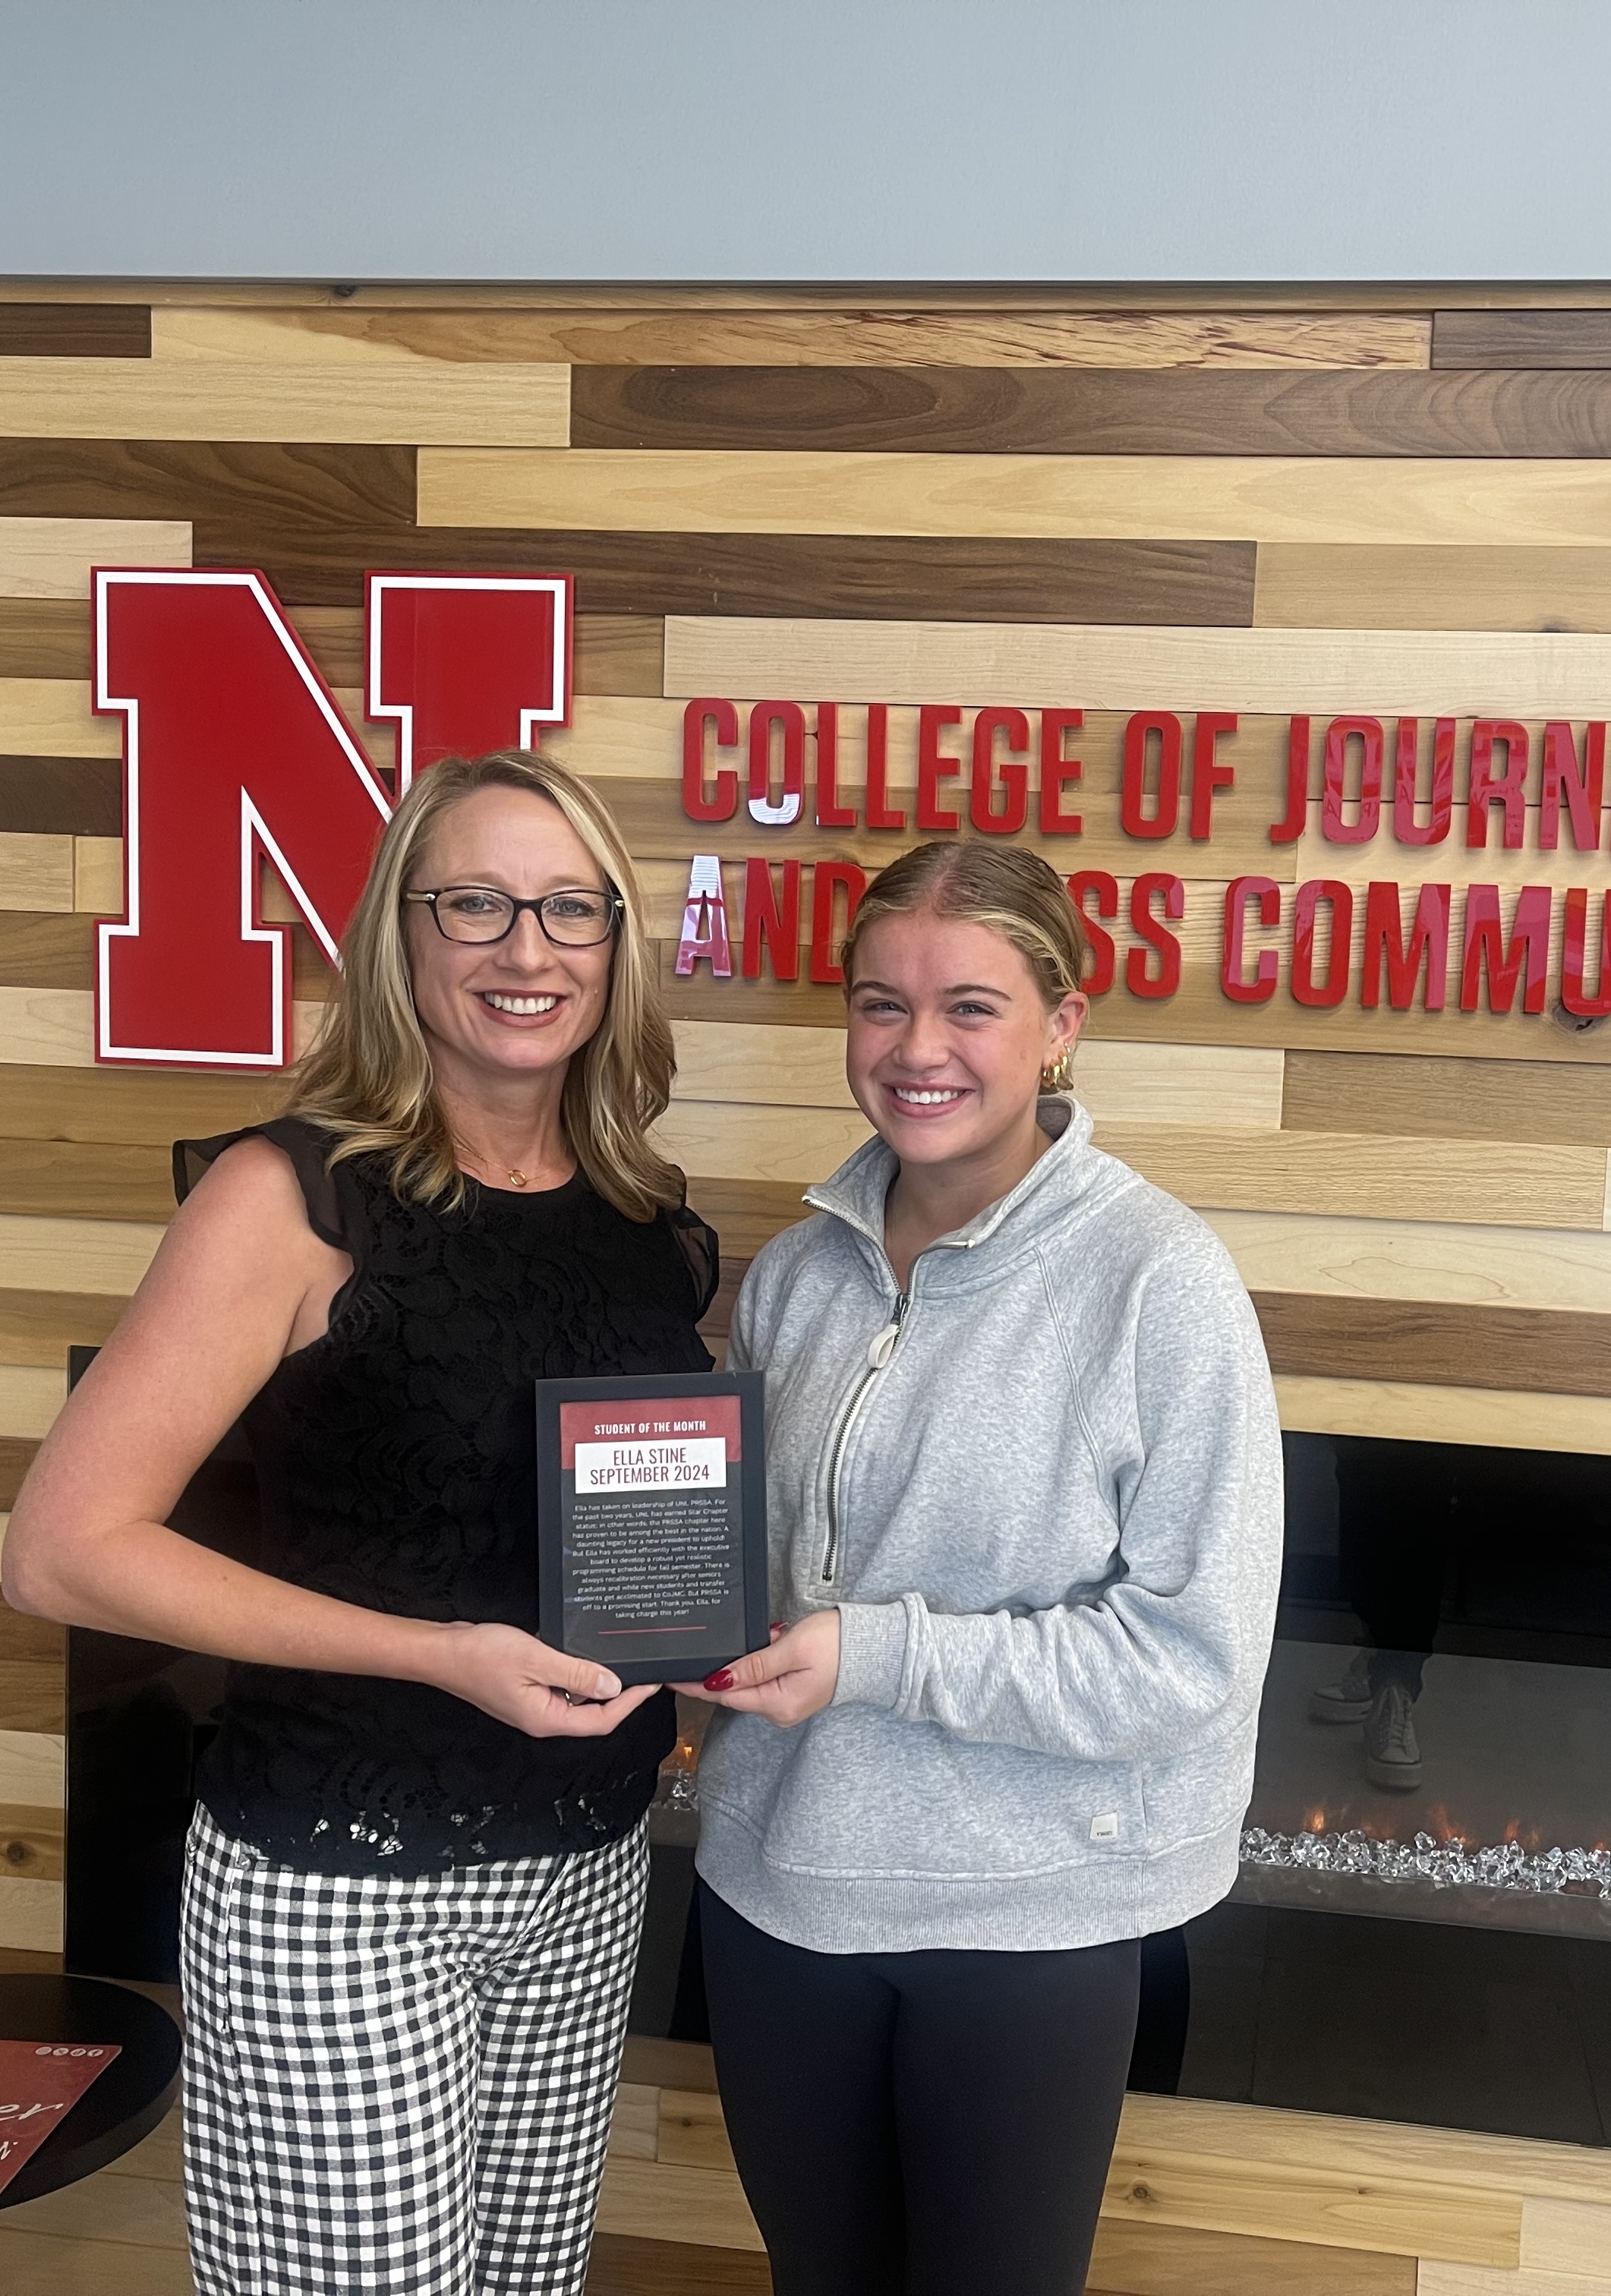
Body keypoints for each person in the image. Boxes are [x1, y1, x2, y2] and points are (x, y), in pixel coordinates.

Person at [1, 750, 714, 2295]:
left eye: (569, 909)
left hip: (585, 1872)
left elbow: (623, 1524)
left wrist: (703, 1647)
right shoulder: (288, 1198)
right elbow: (63, 1546)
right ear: (402, 937)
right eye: (477, 904)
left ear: (616, 946)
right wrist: (437, 1655)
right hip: (339, 1893)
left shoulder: (649, 1223)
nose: (527, 951)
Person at [693, 840, 1285, 2296]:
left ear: (1062, 1023)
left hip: (1030, 1923)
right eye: (880, 1005)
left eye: (971, 1006)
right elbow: (746, 1578)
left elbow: (1191, 1658)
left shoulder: (1161, 1282)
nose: (917, 1049)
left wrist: (876, 1653)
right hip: (784, 1895)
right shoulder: (795, 1274)